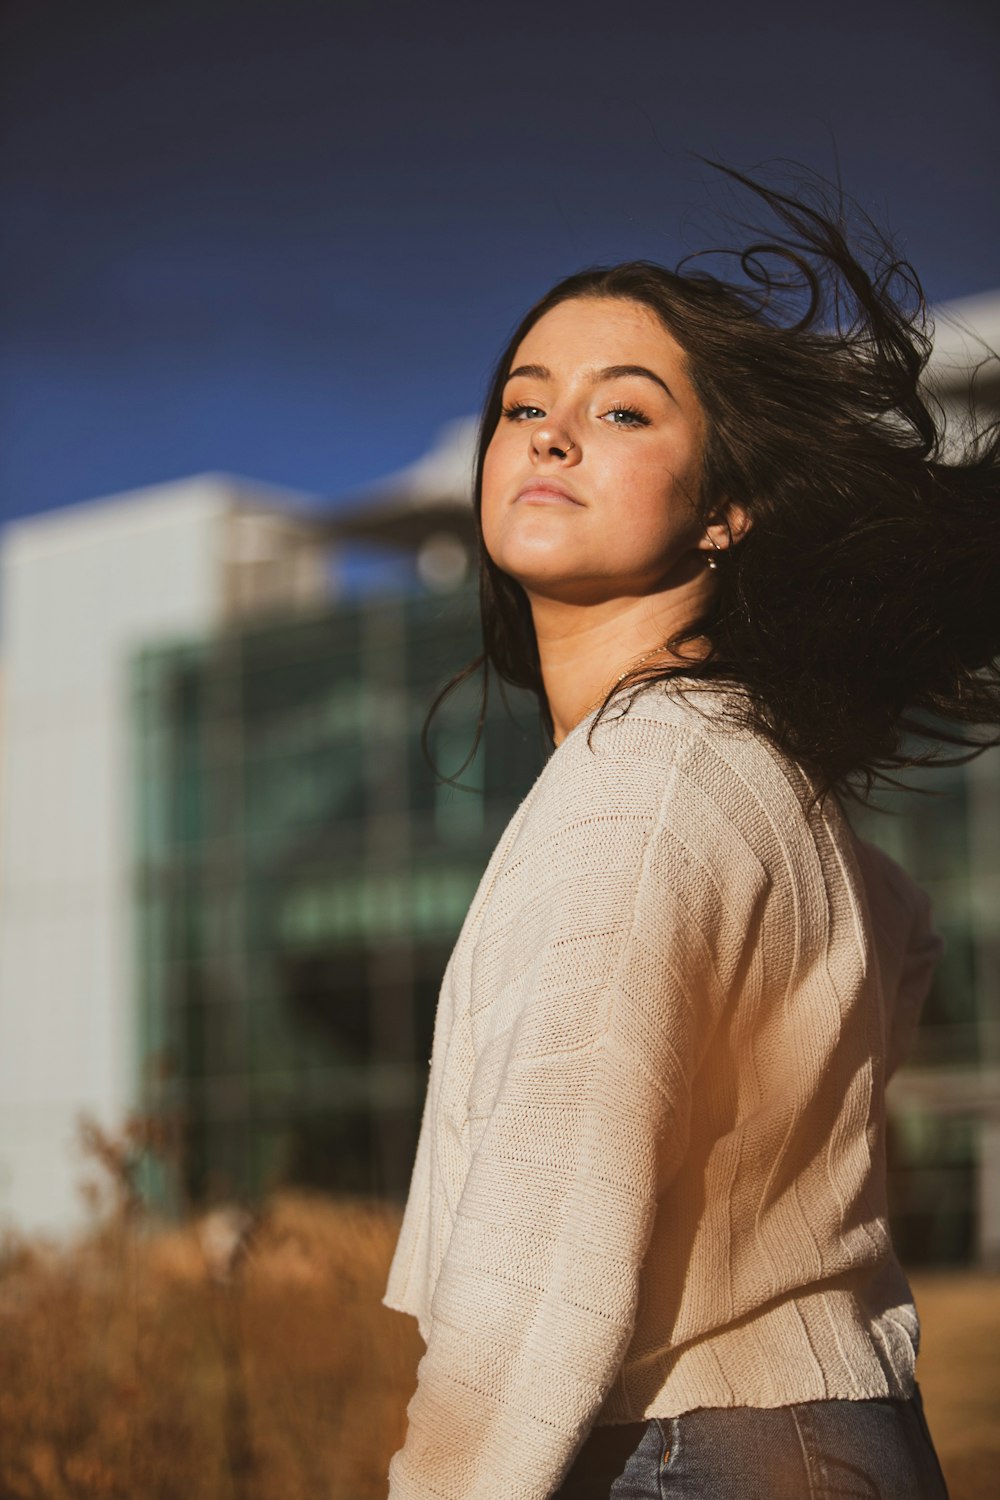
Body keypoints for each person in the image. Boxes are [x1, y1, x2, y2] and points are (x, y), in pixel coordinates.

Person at [382, 166, 998, 1499]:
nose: (547, 434)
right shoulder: (743, 761)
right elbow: (900, 930)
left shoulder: (644, 783)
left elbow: (540, 1267)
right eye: (522, 405)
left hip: (700, 1450)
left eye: (622, 409)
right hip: (820, 1434)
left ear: (726, 507)